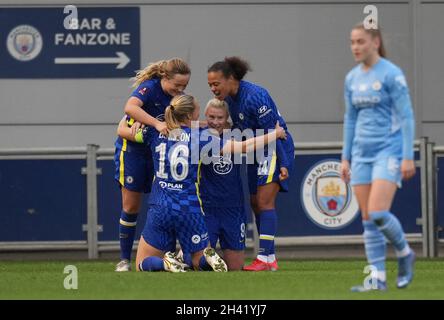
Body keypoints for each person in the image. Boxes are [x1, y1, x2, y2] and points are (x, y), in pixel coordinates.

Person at [117, 94, 286, 272]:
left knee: (141, 264)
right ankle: (209, 260)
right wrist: (275, 134)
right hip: (190, 208)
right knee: (198, 262)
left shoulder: (155, 132)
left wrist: (131, 120)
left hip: (161, 206)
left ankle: (165, 264)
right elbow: (242, 147)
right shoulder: (200, 138)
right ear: (191, 116)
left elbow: (122, 131)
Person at [340, 23, 416, 291]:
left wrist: (408, 156)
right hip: (361, 153)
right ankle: (377, 279)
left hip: (389, 150)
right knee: (368, 219)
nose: (355, 47)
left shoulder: (392, 74)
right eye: (352, 42)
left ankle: (405, 253)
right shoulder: (352, 78)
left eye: (360, 41)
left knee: (378, 212)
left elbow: (406, 116)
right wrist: (345, 157)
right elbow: (350, 119)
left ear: (375, 42)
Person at [207, 57, 295, 271]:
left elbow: (276, 133)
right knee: (255, 202)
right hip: (257, 151)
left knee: (265, 202)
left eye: (216, 83)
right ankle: (269, 257)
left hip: (274, 149)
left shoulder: (256, 97)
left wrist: (283, 163)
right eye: (210, 84)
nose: (213, 88)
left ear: (230, 79)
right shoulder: (232, 99)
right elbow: (239, 128)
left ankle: (264, 258)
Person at [114, 58, 191, 272]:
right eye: (177, 85)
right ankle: (123, 259)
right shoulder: (149, 88)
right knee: (131, 206)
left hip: (160, 153)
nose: (180, 89)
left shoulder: (179, 98)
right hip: (134, 152)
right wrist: (155, 123)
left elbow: (187, 121)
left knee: (168, 203)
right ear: (165, 78)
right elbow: (129, 107)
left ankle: (173, 254)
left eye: (184, 86)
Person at [198, 98, 247, 271]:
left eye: (220, 118)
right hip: (207, 208)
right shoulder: (198, 134)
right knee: (198, 264)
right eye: (211, 117)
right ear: (205, 116)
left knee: (235, 268)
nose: (216, 122)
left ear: (227, 118)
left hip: (233, 208)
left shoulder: (237, 134)